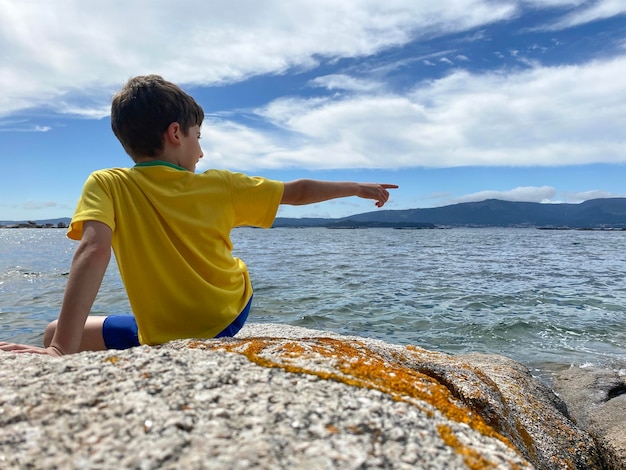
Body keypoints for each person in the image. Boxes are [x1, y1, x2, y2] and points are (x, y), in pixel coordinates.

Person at [0, 75, 398, 357]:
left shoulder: (107, 183)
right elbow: (297, 192)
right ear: (176, 133)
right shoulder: (219, 185)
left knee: (56, 332)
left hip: (162, 333)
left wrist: (58, 350)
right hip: (227, 316)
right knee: (59, 329)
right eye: (198, 138)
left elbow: (92, 251)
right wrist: (356, 188)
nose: (201, 153)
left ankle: (73, 345)